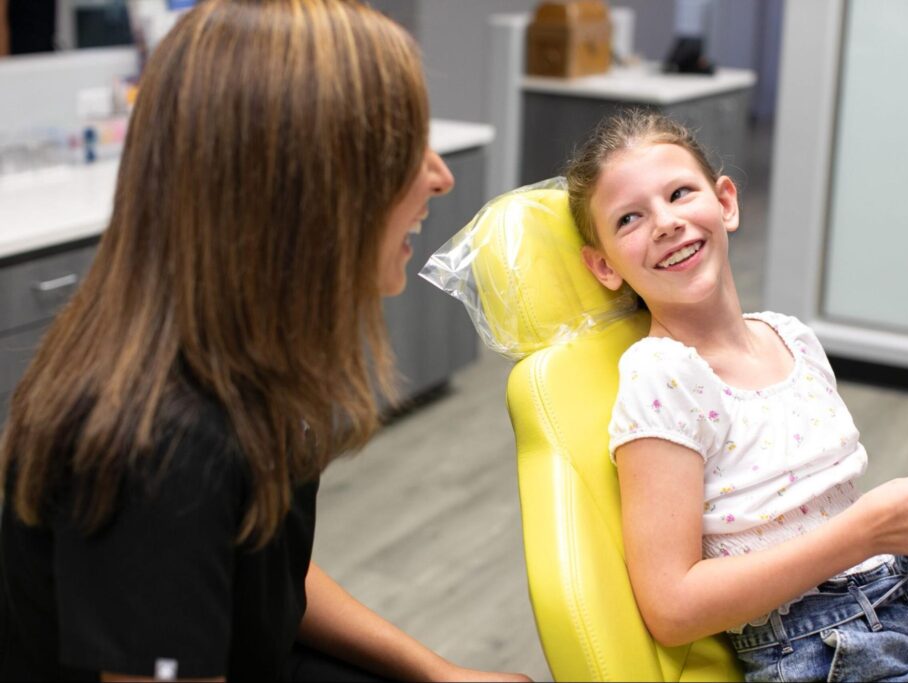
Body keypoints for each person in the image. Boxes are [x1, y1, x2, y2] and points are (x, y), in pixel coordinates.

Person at [0, 2, 530, 681]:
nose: (439, 174)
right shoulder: (161, 451)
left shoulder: (245, 354)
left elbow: (263, 564)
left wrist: (437, 672)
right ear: (303, 183)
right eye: (403, 147)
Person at [565, 108, 908, 682]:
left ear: (725, 202)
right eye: (629, 218)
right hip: (827, 652)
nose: (665, 223)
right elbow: (672, 608)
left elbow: (813, 510)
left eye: (679, 193)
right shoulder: (664, 375)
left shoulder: (791, 338)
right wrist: (865, 533)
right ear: (604, 266)